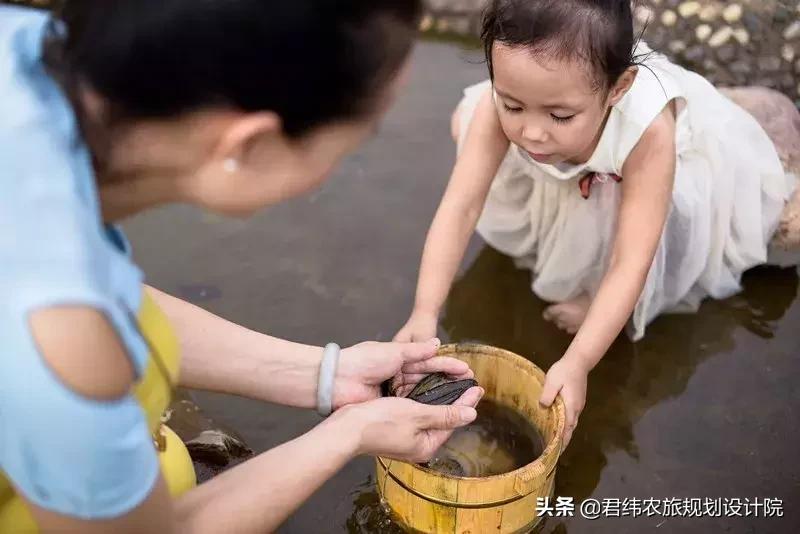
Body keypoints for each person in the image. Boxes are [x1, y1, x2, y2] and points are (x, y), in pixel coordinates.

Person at [0, 1, 484, 532]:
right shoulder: (59, 332)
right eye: (353, 143)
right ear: (250, 145)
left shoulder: (29, 49)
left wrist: (328, 375)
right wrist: (347, 434)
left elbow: (116, 302)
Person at [394, 0, 800, 446]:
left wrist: (579, 361)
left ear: (618, 89)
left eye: (559, 115)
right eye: (513, 105)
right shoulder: (517, 105)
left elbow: (632, 260)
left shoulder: (647, 130)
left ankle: (598, 298)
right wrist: (424, 310)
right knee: (468, 124)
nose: (532, 132)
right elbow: (461, 206)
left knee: (636, 235)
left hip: (635, 180)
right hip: (572, 162)